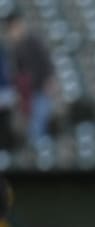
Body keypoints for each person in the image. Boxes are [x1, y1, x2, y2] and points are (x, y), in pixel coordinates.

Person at [4, 11, 55, 146]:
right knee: (33, 125)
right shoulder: (14, 49)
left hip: (40, 89)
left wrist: (49, 80)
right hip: (27, 94)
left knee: (39, 122)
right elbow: (16, 74)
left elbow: (46, 61)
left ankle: (42, 149)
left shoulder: (33, 41)